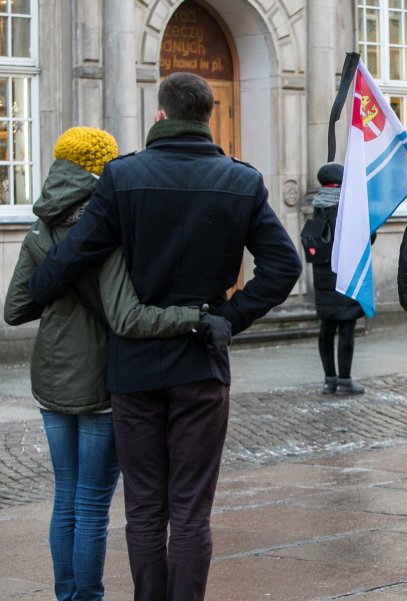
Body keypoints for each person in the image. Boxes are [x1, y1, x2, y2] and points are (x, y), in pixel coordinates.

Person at [27, 73, 302, 600]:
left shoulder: (122, 176)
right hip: (201, 362)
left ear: (160, 116)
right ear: (207, 117)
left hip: (133, 367)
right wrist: (232, 317)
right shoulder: (240, 180)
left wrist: (39, 287)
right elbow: (283, 265)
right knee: (191, 511)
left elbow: (77, 251)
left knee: (145, 509)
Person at [5, 127, 230, 601]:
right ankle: (85, 597)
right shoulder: (103, 226)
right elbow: (126, 316)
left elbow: (15, 308)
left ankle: (68, 595)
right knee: (90, 503)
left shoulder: (41, 224)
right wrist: (195, 317)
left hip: (50, 377)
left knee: (65, 496)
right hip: (98, 378)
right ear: (100, 168)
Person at [311, 162, 366, 395]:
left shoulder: (318, 206)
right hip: (346, 274)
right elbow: (365, 238)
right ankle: (345, 381)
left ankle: (328, 380)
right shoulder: (348, 207)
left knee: (326, 327)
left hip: (323, 277)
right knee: (346, 328)